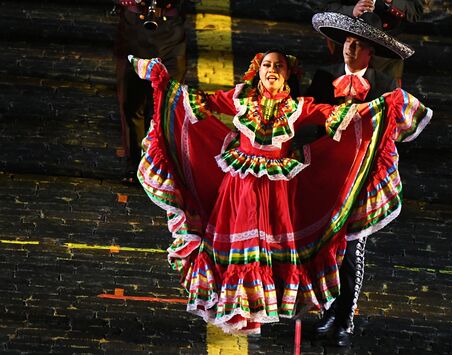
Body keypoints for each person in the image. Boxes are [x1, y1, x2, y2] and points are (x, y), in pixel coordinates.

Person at [128, 48, 432, 335]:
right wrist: (163, 82)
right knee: (242, 250)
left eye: (279, 66)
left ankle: (285, 306)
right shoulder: (240, 99)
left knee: (272, 250)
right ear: (257, 72)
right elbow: (199, 102)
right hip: (241, 187)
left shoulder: (298, 107)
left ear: (288, 74)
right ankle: (239, 308)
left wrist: (383, 106)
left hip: (278, 191)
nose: (272, 69)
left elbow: (340, 115)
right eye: (267, 65)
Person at [306, 11, 415, 346]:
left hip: (362, 180)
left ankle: (345, 319)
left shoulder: (383, 86)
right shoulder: (325, 78)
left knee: (352, 252)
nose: (350, 48)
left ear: (369, 52)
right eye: (347, 42)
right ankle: (327, 312)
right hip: (328, 177)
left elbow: (392, 132)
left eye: (357, 44)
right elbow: (309, 125)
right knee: (324, 251)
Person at [113, 0, 188, 181]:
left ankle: (162, 162)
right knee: (131, 104)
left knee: (167, 105)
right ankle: (135, 165)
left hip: (170, 31)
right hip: (133, 30)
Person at [321, 0, 424, 86]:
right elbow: (323, 6)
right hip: (345, 44)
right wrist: (351, 11)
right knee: (337, 102)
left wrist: (391, 2)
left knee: (386, 102)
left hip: (386, 53)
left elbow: (416, 11)